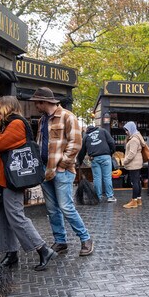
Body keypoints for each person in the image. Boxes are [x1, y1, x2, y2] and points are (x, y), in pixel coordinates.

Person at [0, 96, 56, 271]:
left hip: (13, 178)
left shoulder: (17, 123)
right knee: (0, 215)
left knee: (15, 215)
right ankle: (10, 253)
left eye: (0, 107)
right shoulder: (4, 124)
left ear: (7, 107)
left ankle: (43, 249)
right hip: (1, 177)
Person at [30, 87, 93, 257]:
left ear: (44, 102)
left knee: (66, 207)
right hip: (45, 169)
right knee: (52, 209)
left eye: (37, 102)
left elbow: (75, 144)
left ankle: (86, 239)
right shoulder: (43, 120)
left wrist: (62, 165)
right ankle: (61, 241)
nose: (35, 105)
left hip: (62, 171)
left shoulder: (67, 116)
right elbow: (40, 142)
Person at [77, 124, 116, 202]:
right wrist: (111, 152)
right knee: (107, 177)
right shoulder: (103, 131)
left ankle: (98, 196)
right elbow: (111, 142)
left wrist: (79, 161)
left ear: (87, 129)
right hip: (105, 156)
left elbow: (82, 151)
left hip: (94, 158)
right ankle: (110, 196)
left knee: (97, 178)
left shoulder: (86, 136)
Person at [122, 121, 145, 208]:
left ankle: (134, 201)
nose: (126, 132)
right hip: (137, 162)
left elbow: (132, 153)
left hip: (133, 163)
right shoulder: (137, 137)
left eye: (127, 130)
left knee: (134, 182)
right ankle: (138, 199)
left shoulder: (134, 140)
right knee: (137, 182)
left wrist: (125, 161)